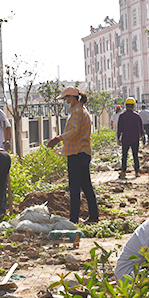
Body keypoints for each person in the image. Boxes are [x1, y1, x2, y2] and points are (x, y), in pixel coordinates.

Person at [46, 87, 99, 224]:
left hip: (76, 154)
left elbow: (74, 131)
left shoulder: (76, 112)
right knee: (86, 186)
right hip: (83, 152)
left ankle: (74, 220)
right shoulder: (83, 111)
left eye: (66, 99)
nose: (65, 102)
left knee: (75, 188)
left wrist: (58, 138)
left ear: (73, 98)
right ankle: (93, 216)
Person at [116, 97, 144, 178]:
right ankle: (137, 172)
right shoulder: (137, 116)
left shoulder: (122, 116)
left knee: (124, 156)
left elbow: (119, 128)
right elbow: (141, 127)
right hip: (135, 139)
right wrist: (142, 135)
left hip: (125, 139)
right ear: (133, 106)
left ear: (125, 106)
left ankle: (123, 171)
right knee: (135, 155)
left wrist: (118, 138)